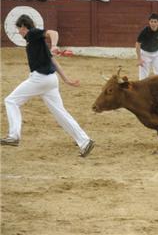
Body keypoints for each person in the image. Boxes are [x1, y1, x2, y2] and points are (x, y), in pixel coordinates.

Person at [0, 14, 94, 157]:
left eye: (19, 29)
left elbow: (53, 32)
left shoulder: (32, 34)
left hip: (40, 79)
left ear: (24, 27)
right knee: (61, 114)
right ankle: (85, 141)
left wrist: (55, 45)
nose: (19, 32)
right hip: (51, 80)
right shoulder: (36, 41)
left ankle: (14, 135)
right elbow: (53, 62)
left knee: (10, 101)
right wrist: (66, 79)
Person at [135, 13, 158, 80]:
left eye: (155, 22)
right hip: (145, 54)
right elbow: (137, 44)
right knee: (143, 77)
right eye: (151, 21)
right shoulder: (144, 31)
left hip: (157, 54)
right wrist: (139, 58)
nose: (153, 24)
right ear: (149, 22)